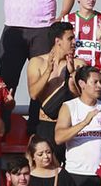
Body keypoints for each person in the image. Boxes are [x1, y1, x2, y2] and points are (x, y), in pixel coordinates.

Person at [28, 21, 83, 157]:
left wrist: (72, 75)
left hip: (68, 125)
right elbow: (34, 94)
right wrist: (48, 71)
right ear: (58, 41)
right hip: (44, 124)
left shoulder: (79, 64)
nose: (74, 42)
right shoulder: (37, 62)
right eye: (70, 38)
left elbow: (83, 99)